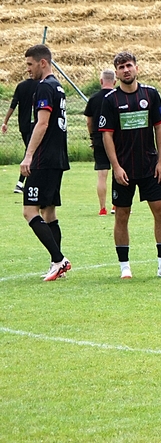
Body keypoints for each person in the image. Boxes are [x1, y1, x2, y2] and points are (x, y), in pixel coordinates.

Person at [100, 51, 161, 279]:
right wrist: (116, 167)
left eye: (129, 65)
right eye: (121, 67)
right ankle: (125, 267)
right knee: (122, 214)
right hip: (124, 168)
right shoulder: (110, 100)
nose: (126, 70)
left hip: (149, 166)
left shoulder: (150, 94)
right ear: (116, 73)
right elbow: (106, 135)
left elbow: (159, 128)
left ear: (137, 68)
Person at [20, 45, 71, 282]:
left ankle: (59, 260)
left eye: (30, 64)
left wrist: (28, 155)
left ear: (43, 63)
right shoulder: (57, 86)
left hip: (43, 158)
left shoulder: (44, 87)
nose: (27, 69)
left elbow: (42, 123)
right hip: (57, 157)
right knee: (48, 211)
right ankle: (55, 264)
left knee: (29, 211)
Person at [83, 69, 116, 215]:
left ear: (101, 81)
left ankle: (102, 208)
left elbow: (89, 121)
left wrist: (92, 137)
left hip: (99, 139)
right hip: (116, 140)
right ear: (115, 82)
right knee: (119, 172)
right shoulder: (118, 97)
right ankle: (117, 205)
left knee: (102, 175)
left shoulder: (94, 98)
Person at [2, 74, 39, 194]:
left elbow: (13, 104)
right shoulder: (42, 85)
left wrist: (5, 122)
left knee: (30, 151)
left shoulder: (21, 86)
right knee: (31, 152)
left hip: (24, 125)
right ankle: (21, 183)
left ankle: (26, 182)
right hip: (35, 124)